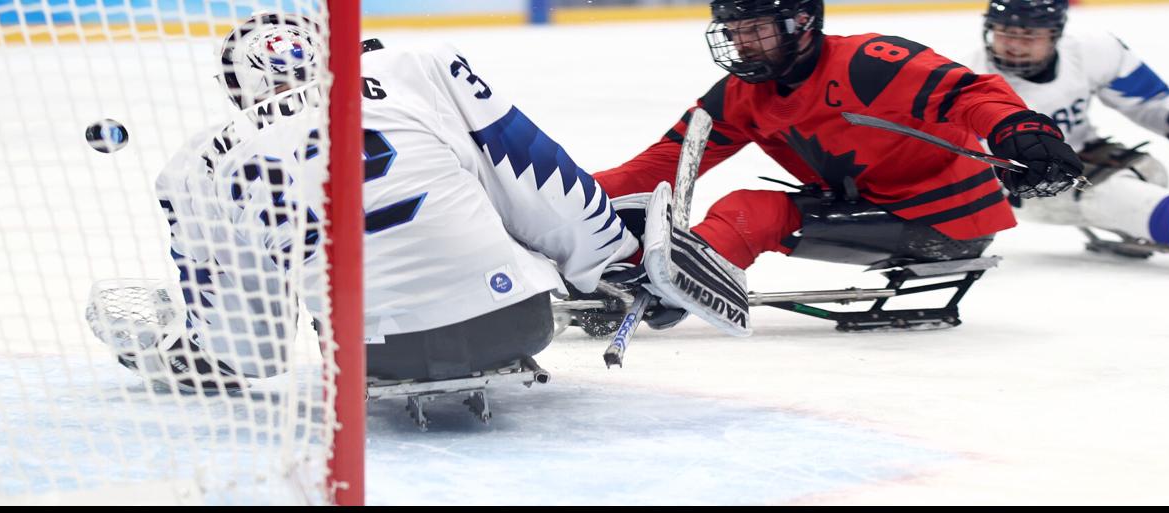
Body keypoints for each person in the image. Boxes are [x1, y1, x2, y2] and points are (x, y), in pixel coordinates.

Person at [110, 10, 636, 390]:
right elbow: (536, 177)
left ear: (238, 91)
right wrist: (608, 258)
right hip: (516, 319)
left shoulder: (198, 164)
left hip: (368, 357)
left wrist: (178, 353)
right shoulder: (416, 65)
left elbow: (250, 348)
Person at [592, 0, 1085, 334]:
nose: (743, 42)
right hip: (864, 206)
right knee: (729, 210)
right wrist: (567, 194)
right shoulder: (741, 96)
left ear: (803, 22)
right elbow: (662, 163)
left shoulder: (869, 63)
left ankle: (661, 291)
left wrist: (1024, 132)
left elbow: (971, 93)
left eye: (756, 29)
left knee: (750, 212)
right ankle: (645, 276)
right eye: (735, 30)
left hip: (945, 223)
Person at [968, 0, 1169, 250]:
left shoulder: (1093, 50)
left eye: (1030, 34)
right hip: (1029, 184)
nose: (1014, 45)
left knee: (1151, 172)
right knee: (1123, 197)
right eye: (1004, 32)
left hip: (1089, 153)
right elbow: (968, 166)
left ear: (1055, 33)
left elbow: (1152, 101)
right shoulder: (972, 82)